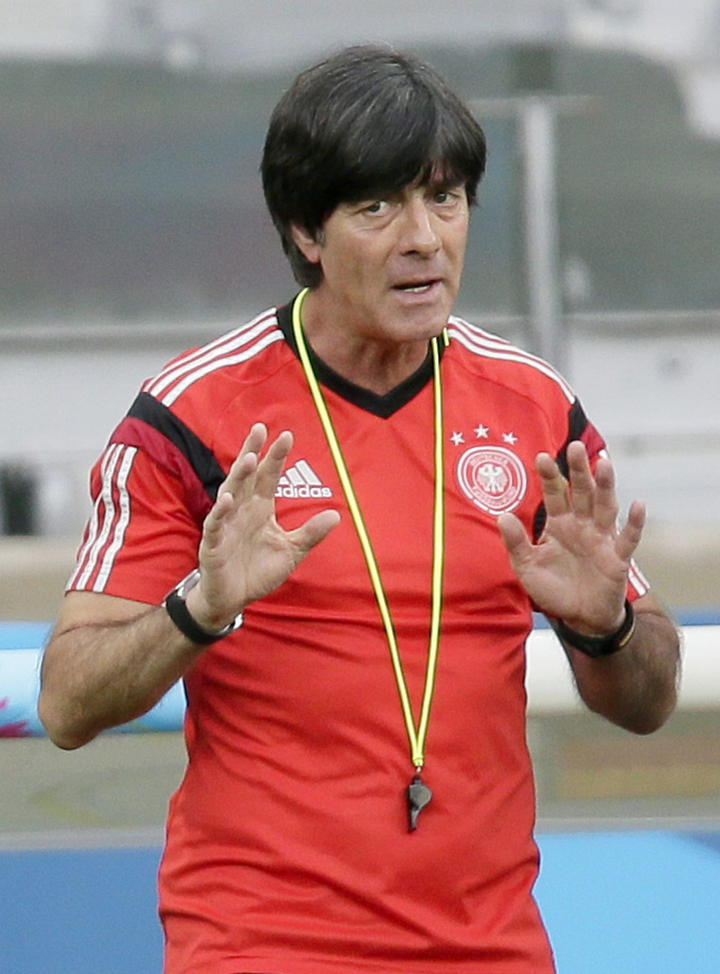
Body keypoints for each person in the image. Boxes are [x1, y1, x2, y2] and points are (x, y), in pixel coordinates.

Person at [39, 44, 680, 974]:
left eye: (445, 199)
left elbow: (650, 703)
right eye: (378, 207)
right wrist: (200, 609)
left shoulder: (535, 409)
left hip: (491, 946)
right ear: (306, 230)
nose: (424, 238)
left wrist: (606, 626)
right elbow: (66, 703)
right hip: (261, 944)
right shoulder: (192, 414)